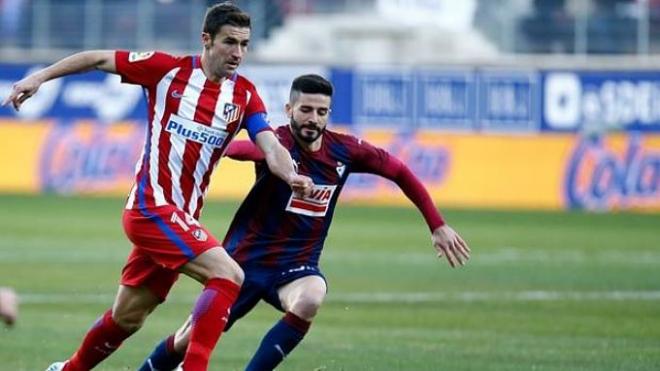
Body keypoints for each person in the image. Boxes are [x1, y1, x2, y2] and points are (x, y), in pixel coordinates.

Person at [3, 3, 312, 371]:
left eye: (244, 44)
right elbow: (97, 59)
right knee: (228, 274)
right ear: (206, 39)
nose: (238, 53)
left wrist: (290, 174)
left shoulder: (243, 95)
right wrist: (38, 77)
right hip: (151, 208)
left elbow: (270, 144)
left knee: (127, 318)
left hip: (178, 219)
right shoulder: (167, 71)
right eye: (230, 42)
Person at [138, 74, 471, 371]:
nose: (313, 119)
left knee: (311, 296)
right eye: (306, 110)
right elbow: (244, 149)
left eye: (321, 112)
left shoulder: (344, 150)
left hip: (296, 265)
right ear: (289, 109)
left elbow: (398, 170)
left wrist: (437, 224)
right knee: (186, 341)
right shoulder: (276, 144)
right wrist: (218, 149)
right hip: (242, 264)